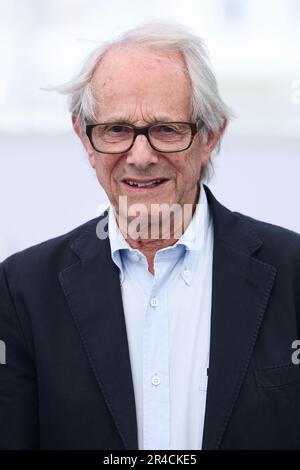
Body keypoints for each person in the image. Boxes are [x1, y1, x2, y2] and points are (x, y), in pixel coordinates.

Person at [0, 22, 300, 451]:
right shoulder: (20, 290)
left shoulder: (292, 272)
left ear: (211, 136)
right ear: (84, 138)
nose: (141, 157)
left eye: (166, 129)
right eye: (117, 130)